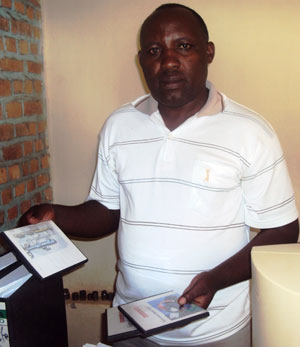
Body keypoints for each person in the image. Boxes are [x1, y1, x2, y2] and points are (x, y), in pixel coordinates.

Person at [19, 3, 299, 347]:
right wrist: (56, 214)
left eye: (183, 46)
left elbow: (284, 228)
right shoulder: (119, 126)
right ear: (141, 61)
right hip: (131, 322)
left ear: (208, 52)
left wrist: (215, 280)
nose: (168, 62)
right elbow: (107, 212)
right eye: (154, 51)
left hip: (215, 330)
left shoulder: (250, 132)